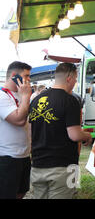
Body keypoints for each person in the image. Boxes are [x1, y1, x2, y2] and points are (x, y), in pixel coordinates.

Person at [29, 63, 92, 199]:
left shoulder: (36, 100)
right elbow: (74, 135)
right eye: (75, 78)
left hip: (37, 166)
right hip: (63, 167)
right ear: (69, 77)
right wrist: (87, 135)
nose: (75, 82)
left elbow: (30, 133)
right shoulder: (70, 101)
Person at [0, 61, 32, 199]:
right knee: (7, 194)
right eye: (26, 75)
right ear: (14, 76)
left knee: (22, 191)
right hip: (7, 156)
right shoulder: (2, 96)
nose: (29, 79)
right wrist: (26, 97)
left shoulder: (20, 95)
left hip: (24, 155)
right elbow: (19, 120)